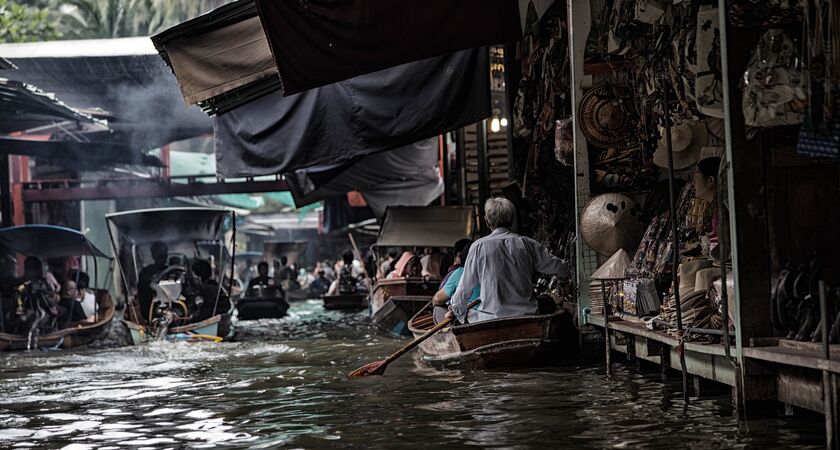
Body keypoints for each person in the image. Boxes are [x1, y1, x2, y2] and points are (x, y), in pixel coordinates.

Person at [447, 198, 569, 324]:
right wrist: (563, 281)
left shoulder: (478, 247)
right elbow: (561, 268)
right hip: (526, 315)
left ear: (487, 221)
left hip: (489, 320)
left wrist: (455, 309)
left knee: (464, 316)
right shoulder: (527, 244)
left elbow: (464, 288)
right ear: (511, 220)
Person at [432, 241, 480, 323]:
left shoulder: (460, 272)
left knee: (438, 309)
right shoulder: (489, 272)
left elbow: (437, 299)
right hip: (488, 315)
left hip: (469, 318)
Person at [137, 241, 168, 321]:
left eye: (163, 253)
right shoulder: (145, 273)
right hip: (151, 314)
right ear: (153, 255)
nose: (162, 256)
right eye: (159, 253)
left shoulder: (173, 271)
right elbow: (143, 296)